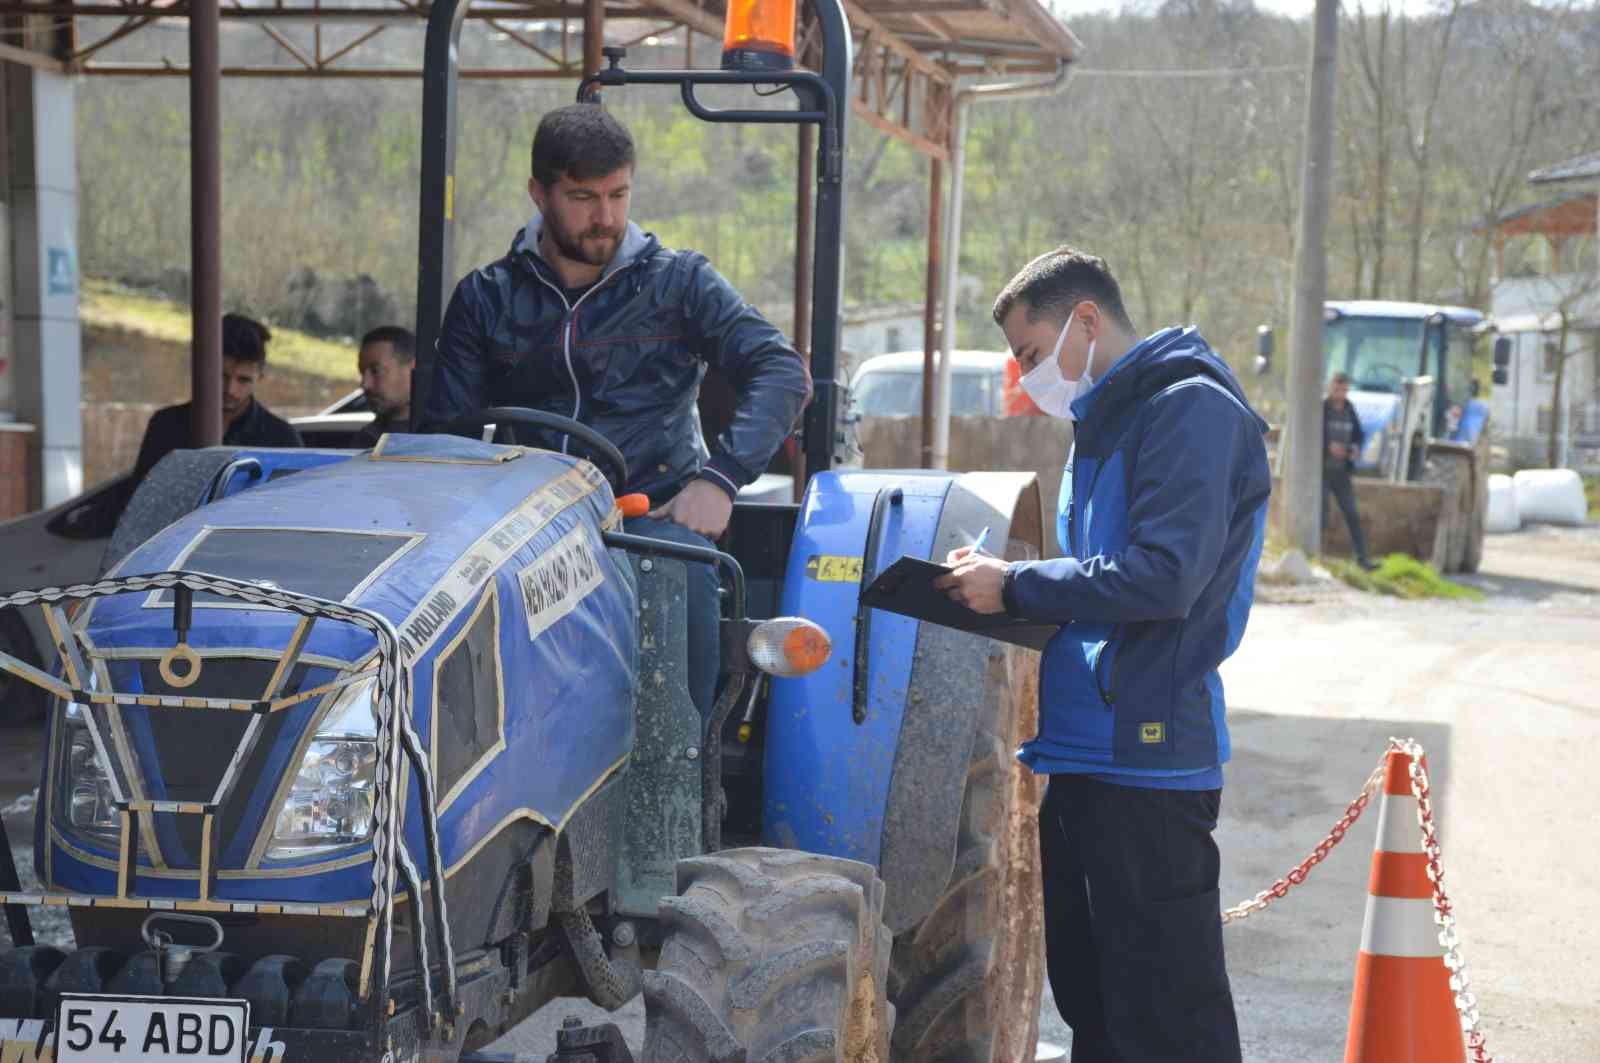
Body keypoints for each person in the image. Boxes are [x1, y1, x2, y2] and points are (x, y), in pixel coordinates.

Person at [934, 247, 1269, 1063]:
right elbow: (1097, 589)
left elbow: (1164, 577)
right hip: (1089, 755)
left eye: (1033, 352)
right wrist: (1004, 593)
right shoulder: (1106, 420)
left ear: (1087, 319)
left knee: (1167, 1022)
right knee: (1098, 1009)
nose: (1028, 374)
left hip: (1150, 762)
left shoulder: (1189, 410)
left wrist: (1017, 585)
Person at [422, 102, 809, 722]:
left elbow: (782, 370)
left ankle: (686, 791)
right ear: (538, 193)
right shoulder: (486, 298)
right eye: (582, 197)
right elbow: (447, 438)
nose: (605, 218)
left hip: (652, 515)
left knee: (676, 671)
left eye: (618, 194)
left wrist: (720, 479)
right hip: (528, 527)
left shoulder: (679, 283)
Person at [131, 312, 301, 483]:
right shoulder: (165, 425)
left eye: (244, 380)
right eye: (221, 376)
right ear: (202, 368)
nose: (230, 390)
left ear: (260, 377)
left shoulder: (282, 439)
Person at [1324, 372, 1377, 570]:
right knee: (1321, 513)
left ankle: (1362, 558)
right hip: (1322, 472)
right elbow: (1311, 434)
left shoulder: (1349, 409)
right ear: (1330, 388)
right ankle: (1318, 556)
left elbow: (1358, 435)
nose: (1340, 394)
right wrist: (1327, 447)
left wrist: (1354, 448)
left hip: (1342, 472)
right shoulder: (1322, 409)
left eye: (1344, 390)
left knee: (1352, 513)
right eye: (1337, 389)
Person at [353, 325, 416, 447]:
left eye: (376, 371)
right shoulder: (367, 438)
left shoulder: (439, 440)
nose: (365, 384)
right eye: (362, 372)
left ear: (413, 370)